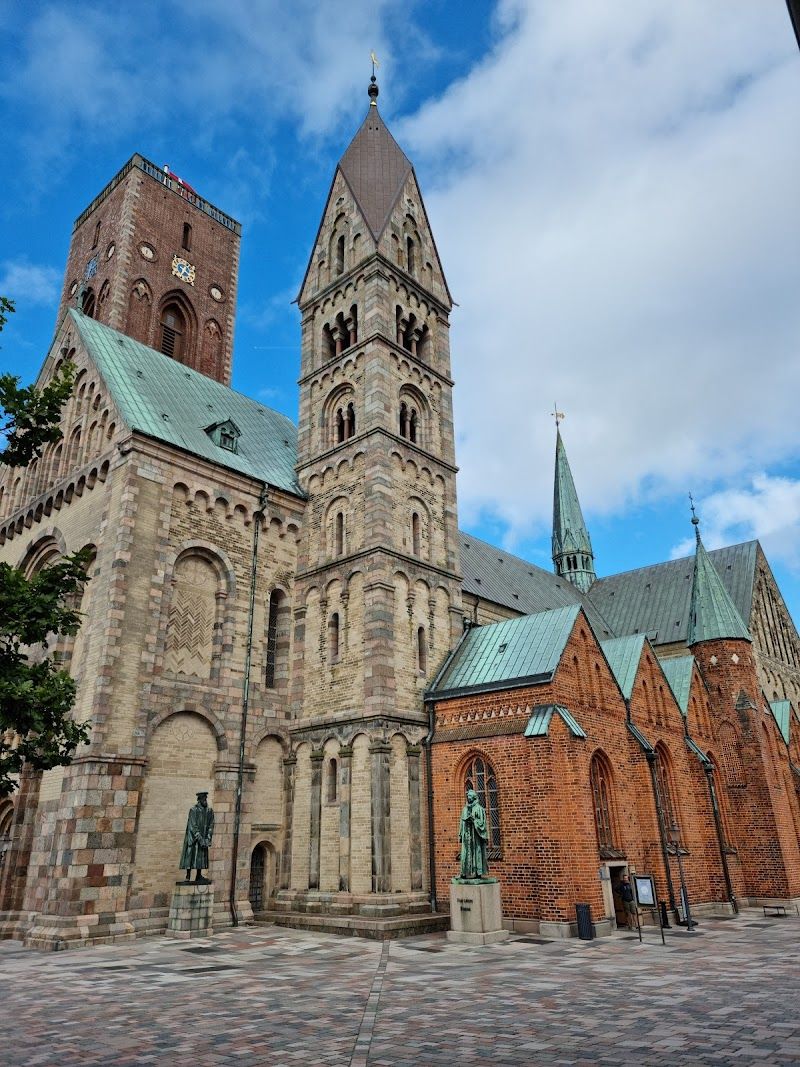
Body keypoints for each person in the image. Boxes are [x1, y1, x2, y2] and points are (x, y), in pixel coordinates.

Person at [179, 791, 215, 883]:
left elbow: (211, 825)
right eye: (204, 799)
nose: (205, 800)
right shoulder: (193, 810)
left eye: (206, 799)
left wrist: (207, 838)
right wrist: (200, 838)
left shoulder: (209, 811)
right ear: (199, 800)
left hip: (204, 838)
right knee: (191, 856)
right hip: (193, 838)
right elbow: (193, 825)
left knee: (201, 856)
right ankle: (188, 875)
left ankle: (199, 875)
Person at [458, 788, 489, 879]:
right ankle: (464, 872)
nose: (468, 798)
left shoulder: (479, 809)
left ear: (474, 797)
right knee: (465, 853)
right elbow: (461, 822)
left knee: (477, 852)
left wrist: (474, 821)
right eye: (467, 796)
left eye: (470, 796)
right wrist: (460, 834)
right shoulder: (464, 809)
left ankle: (478, 872)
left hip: (476, 836)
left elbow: (482, 823)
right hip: (467, 836)